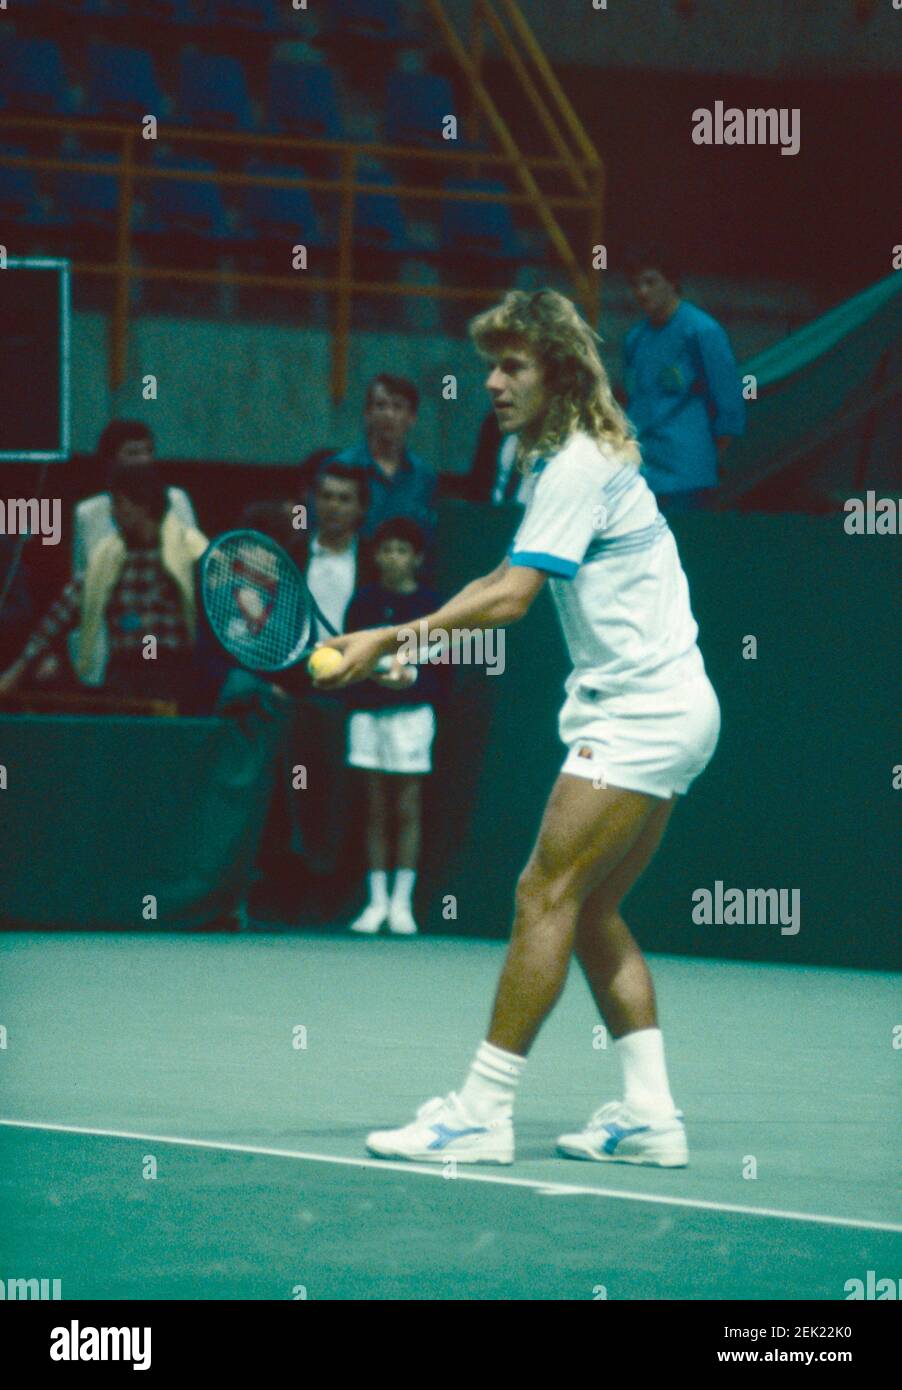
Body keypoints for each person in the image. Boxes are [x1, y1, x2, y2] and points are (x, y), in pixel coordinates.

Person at [313, 288, 721, 1169]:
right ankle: (651, 1116)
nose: (492, 382)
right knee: (591, 907)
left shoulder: (574, 464)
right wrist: (399, 638)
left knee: (543, 893)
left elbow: (511, 598)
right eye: (489, 365)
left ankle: (481, 1110)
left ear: (560, 371)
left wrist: (391, 634)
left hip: (642, 711)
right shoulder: (570, 458)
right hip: (679, 705)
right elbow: (503, 571)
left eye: (513, 365)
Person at [0, 463, 208, 706]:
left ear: (143, 505)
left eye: (119, 504)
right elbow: (60, 615)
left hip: (173, 673)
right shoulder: (106, 559)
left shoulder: (191, 552)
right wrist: (20, 669)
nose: (113, 514)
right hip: (125, 675)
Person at [342, 517, 447, 937]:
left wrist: (408, 678)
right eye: (386, 549)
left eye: (402, 550)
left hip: (412, 716)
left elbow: (440, 668)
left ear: (417, 558)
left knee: (406, 808)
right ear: (375, 556)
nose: (393, 558)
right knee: (375, 809)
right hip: (367, 715)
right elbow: (351, 661)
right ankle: (376, 902)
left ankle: (402, 905)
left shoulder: (431, 606)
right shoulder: (362, 603)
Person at [623, 248, 746, 511]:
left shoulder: (701, 331)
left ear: (672, 282)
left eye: (650, 282)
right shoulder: (635, 338)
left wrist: (707, 459)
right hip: (642, 473)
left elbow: (729, 402)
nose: (642, 292)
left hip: (687, 477)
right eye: (636, 284)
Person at [319, 375, 437, 545]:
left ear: (412, 418)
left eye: (397, 407)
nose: (389, 414)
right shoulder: (338, 467)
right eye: (381, 405)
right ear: (367, 414)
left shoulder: (425, 477)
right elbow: (309, 527)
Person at [73, 421, 197, 576]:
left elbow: (192, 561)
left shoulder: (175, 499)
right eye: (133, 453)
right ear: (111, 460)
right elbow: (81, 573)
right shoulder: (87, 511)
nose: (144, 460)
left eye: (148, 451)